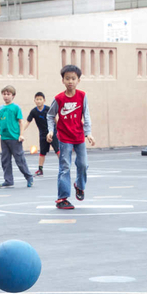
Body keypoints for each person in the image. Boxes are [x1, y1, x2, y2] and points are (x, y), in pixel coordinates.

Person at [46, 64, 94, 210]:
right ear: (63, 81)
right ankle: (62, 198)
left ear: (78, 80)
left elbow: (86, 115)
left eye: (73, 78)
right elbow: (50, 115)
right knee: (65, 167)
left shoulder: (82, 96)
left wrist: (88, 133)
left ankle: (79, 186)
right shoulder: (59, 98)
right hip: (64, 137)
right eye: (67, 79)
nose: (70, 81)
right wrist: (51, 131)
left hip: (79, 136)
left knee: (83, 164)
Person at [0, 85, 34, 189]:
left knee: (19, 159)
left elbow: (21, 122)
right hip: (4, 138)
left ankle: (29, 177)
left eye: (8, 94)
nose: (6, 96)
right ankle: (8, 180)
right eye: (4, 94)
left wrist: (21, 135)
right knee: (5, 160)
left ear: (13, 96)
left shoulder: (16, 108)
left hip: (14, 138)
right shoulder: (0, 108)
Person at [25, 92, 58, 176]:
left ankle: (63, 167)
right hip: (42, 134)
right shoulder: (33, 111)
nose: (39, 101)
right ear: (34, 101)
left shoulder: (48, 109)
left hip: (52, 133)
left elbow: (55, 119)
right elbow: (27, 122)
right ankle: (40, 169)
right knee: (42, 152)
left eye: (40, 99)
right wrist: (21, 131)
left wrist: (59, 129)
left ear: (44, 100)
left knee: (58, 150)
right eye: (37, 99)